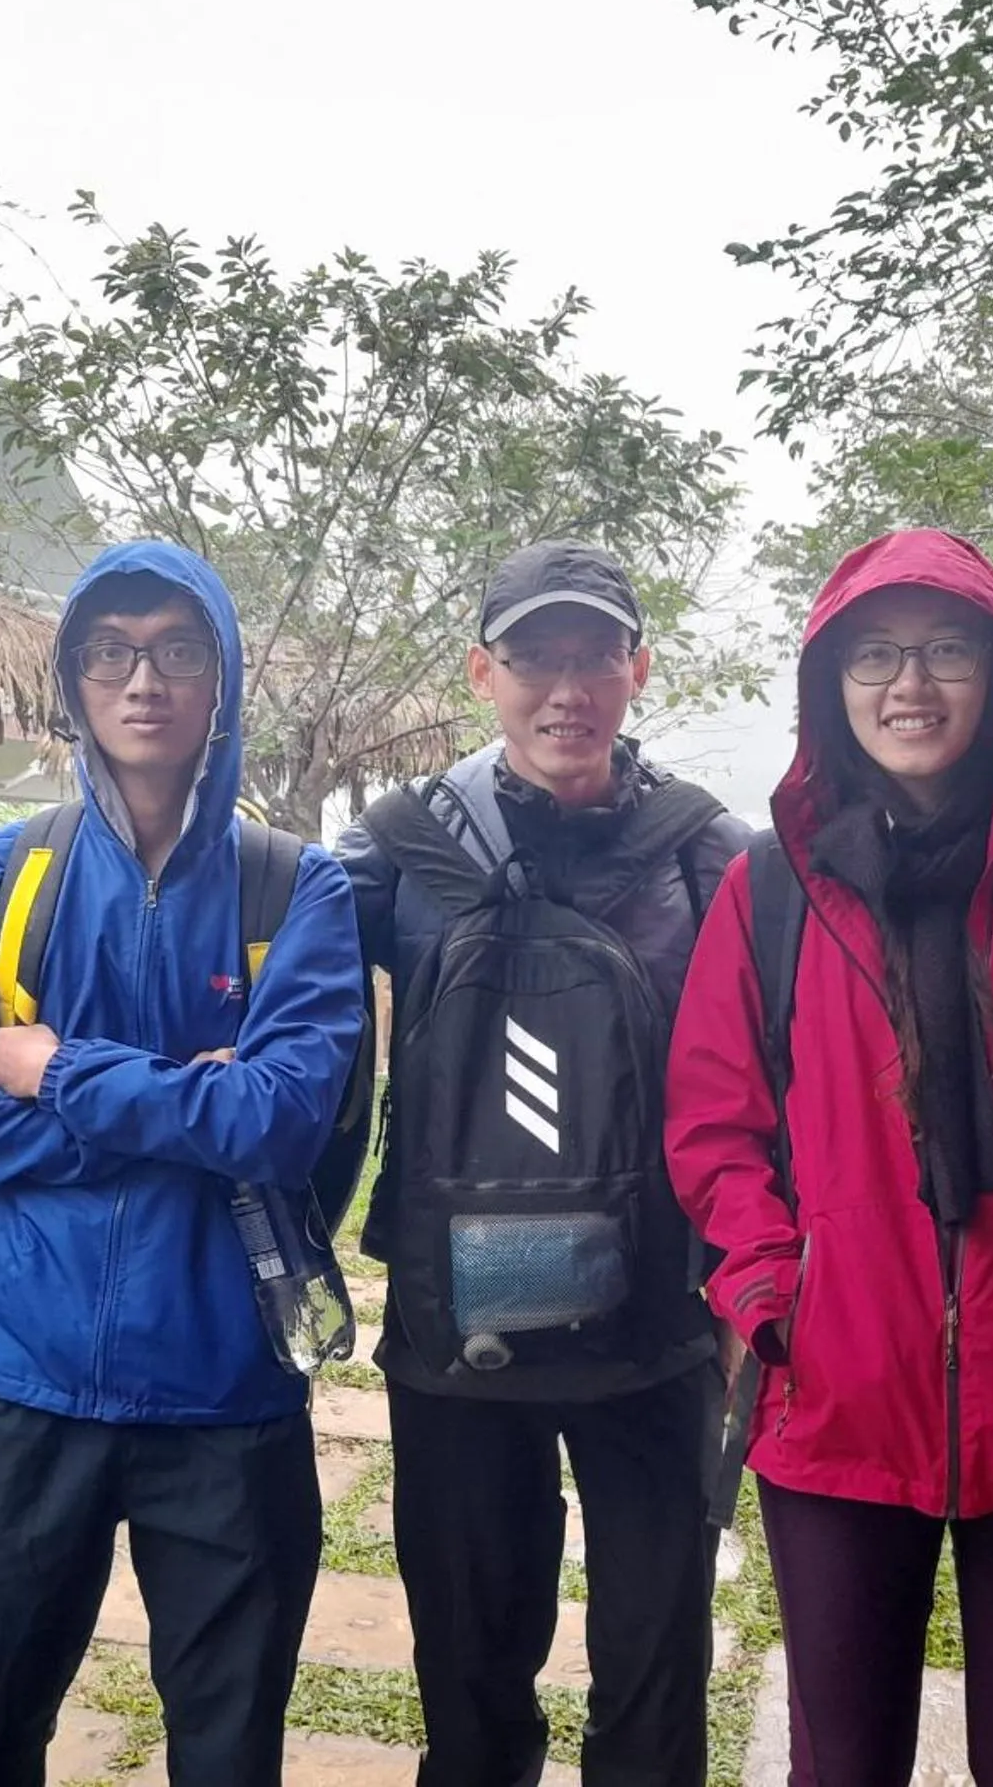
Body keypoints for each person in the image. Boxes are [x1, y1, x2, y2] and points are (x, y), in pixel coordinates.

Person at [664, 528, 993, 1787]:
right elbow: (715, 1125)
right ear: (829, 689)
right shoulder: (774, 887)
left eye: (947, 650)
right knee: (840, 1765)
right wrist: (772, 1300)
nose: (910, 685)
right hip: (837, 1388)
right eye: (875, 657)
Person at [0, 541, 366, 1787]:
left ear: (223, 682)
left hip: (226, 1388)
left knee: (227, 1751)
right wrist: (178, 1106)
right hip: (17, 1377)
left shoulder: (296, 888)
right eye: (111, 653)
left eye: (177, 652)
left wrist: (55, 1072)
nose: (142, 680)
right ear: (75, 678)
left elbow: (281, 1121)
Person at [336, 539, 749, 1787]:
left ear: (637, 670)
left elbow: (772, 1085)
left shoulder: (709, 855)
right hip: (455, 1331)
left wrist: (750, 1277)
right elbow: (258, 993)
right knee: (464, 1657)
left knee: (656, 1656)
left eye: (592, 658)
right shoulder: (395, 851)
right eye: (533, 659)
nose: (564, 689)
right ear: (483, 671)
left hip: (657, 1325)